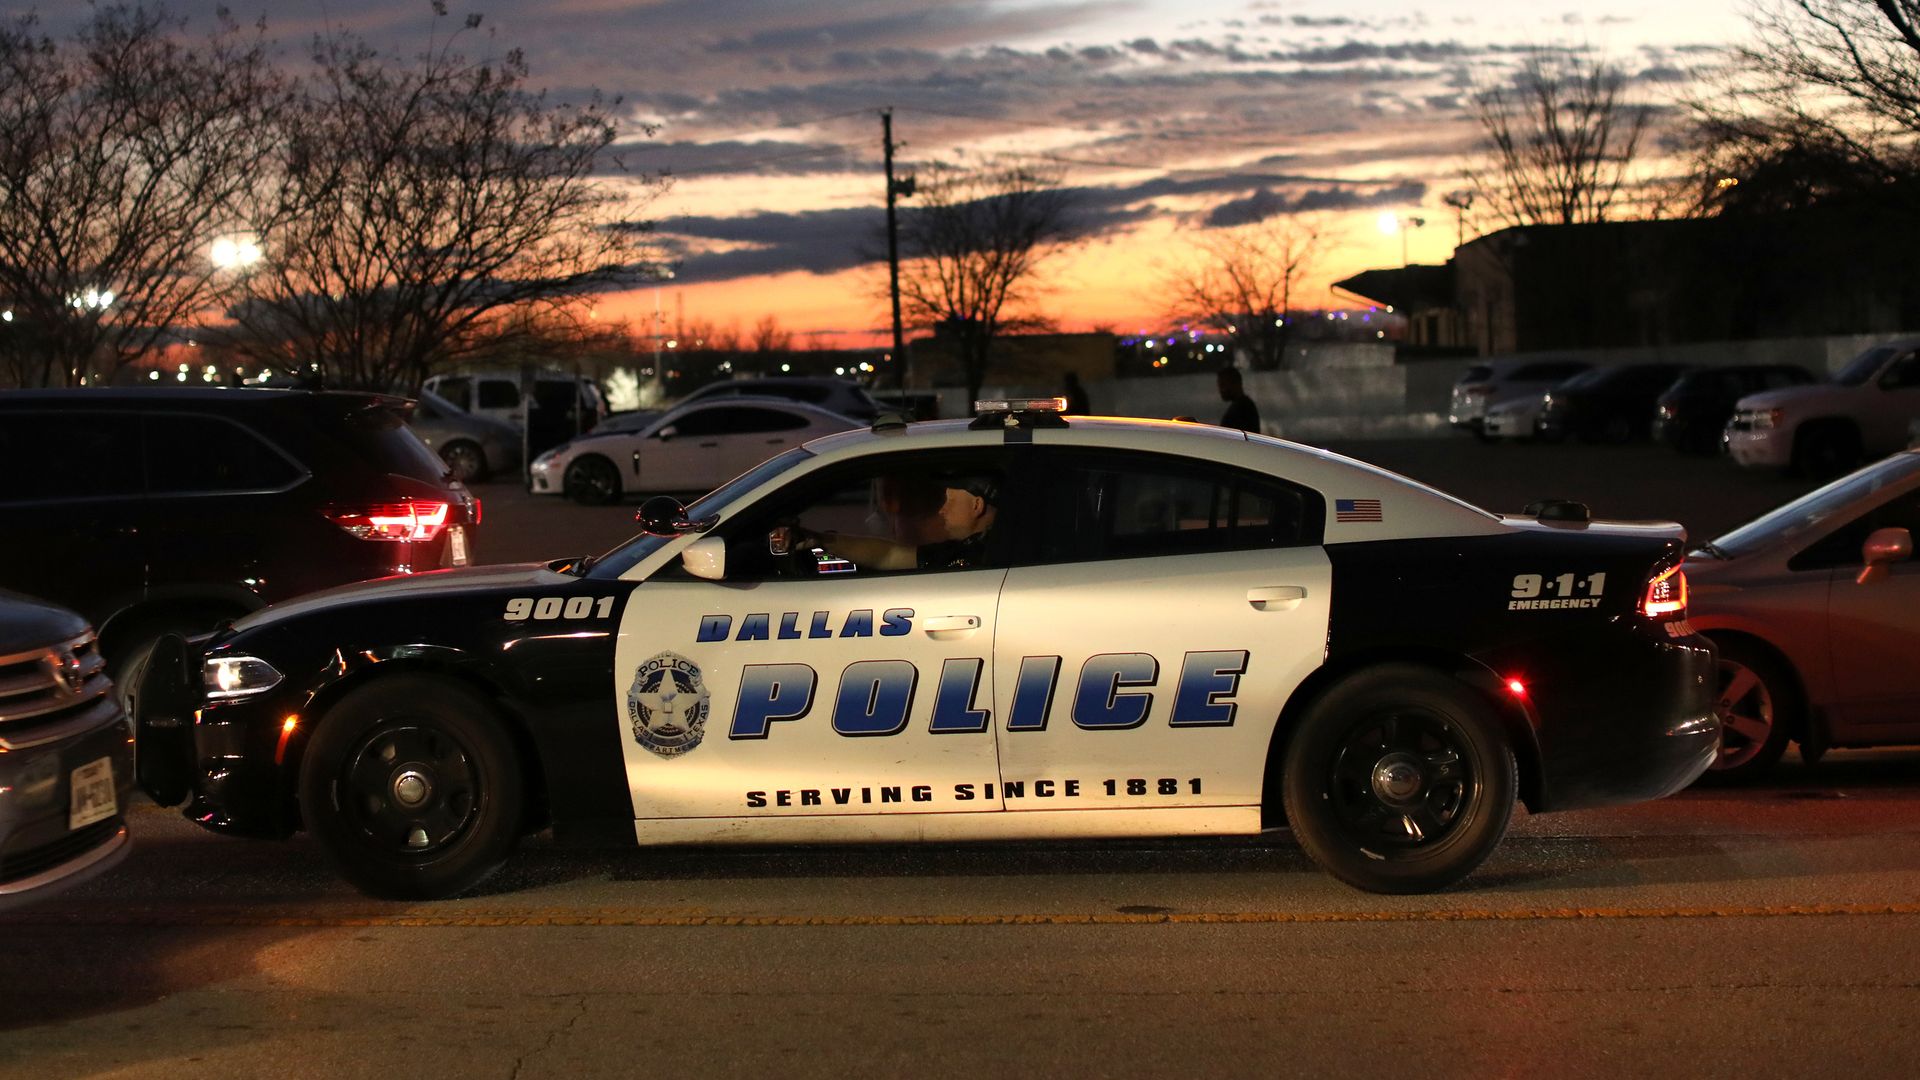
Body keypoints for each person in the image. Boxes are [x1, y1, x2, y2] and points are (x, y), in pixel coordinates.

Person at [777, 474, 999, 572]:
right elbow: (889, 555)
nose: (940, 510)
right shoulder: (960, 550)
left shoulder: (999, 550)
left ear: (977, 505)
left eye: (947, 501)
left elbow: (889, 555)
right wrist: (821, 540)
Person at [1217, 368, 1260, 433]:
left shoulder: (1242, 409)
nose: (1220, 390)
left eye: (1223, 385)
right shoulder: (1245, 406)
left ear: (1235, 383)